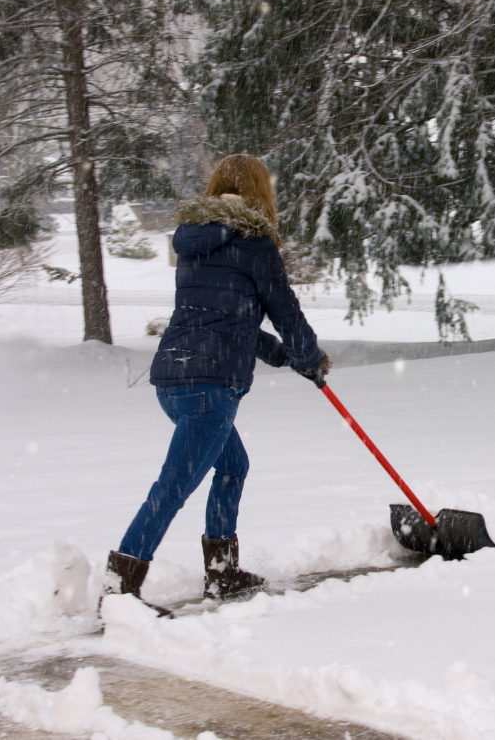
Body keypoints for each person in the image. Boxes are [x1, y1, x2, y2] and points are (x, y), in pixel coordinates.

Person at [104, 154, 331, 614]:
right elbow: (285, 312)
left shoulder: (192, 243)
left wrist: (286, 357)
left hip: (173, 378)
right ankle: (119, 591)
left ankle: (223, 573)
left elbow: (229, 318)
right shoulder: (255, 243)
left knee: (233, 465)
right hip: (211, 388)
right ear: (260, 193)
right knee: (173, 486)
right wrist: (311, 357)